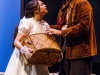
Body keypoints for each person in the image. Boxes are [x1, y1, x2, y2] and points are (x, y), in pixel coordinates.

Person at [46, 0, 97, 75]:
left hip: (79, 52)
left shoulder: (82, 3)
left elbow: (84, 26)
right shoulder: (65, 6)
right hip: (65, 50)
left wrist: (61, 32)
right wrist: (47, 27)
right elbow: (64, 27)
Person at [4, 0, 50, 75]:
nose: (45, 5)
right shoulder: (27, 22)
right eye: (42, 4)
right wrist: (24, 50)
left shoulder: (44, 24)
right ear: (35, 10)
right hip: (26, 60)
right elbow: (17, 41)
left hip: (38, 59)